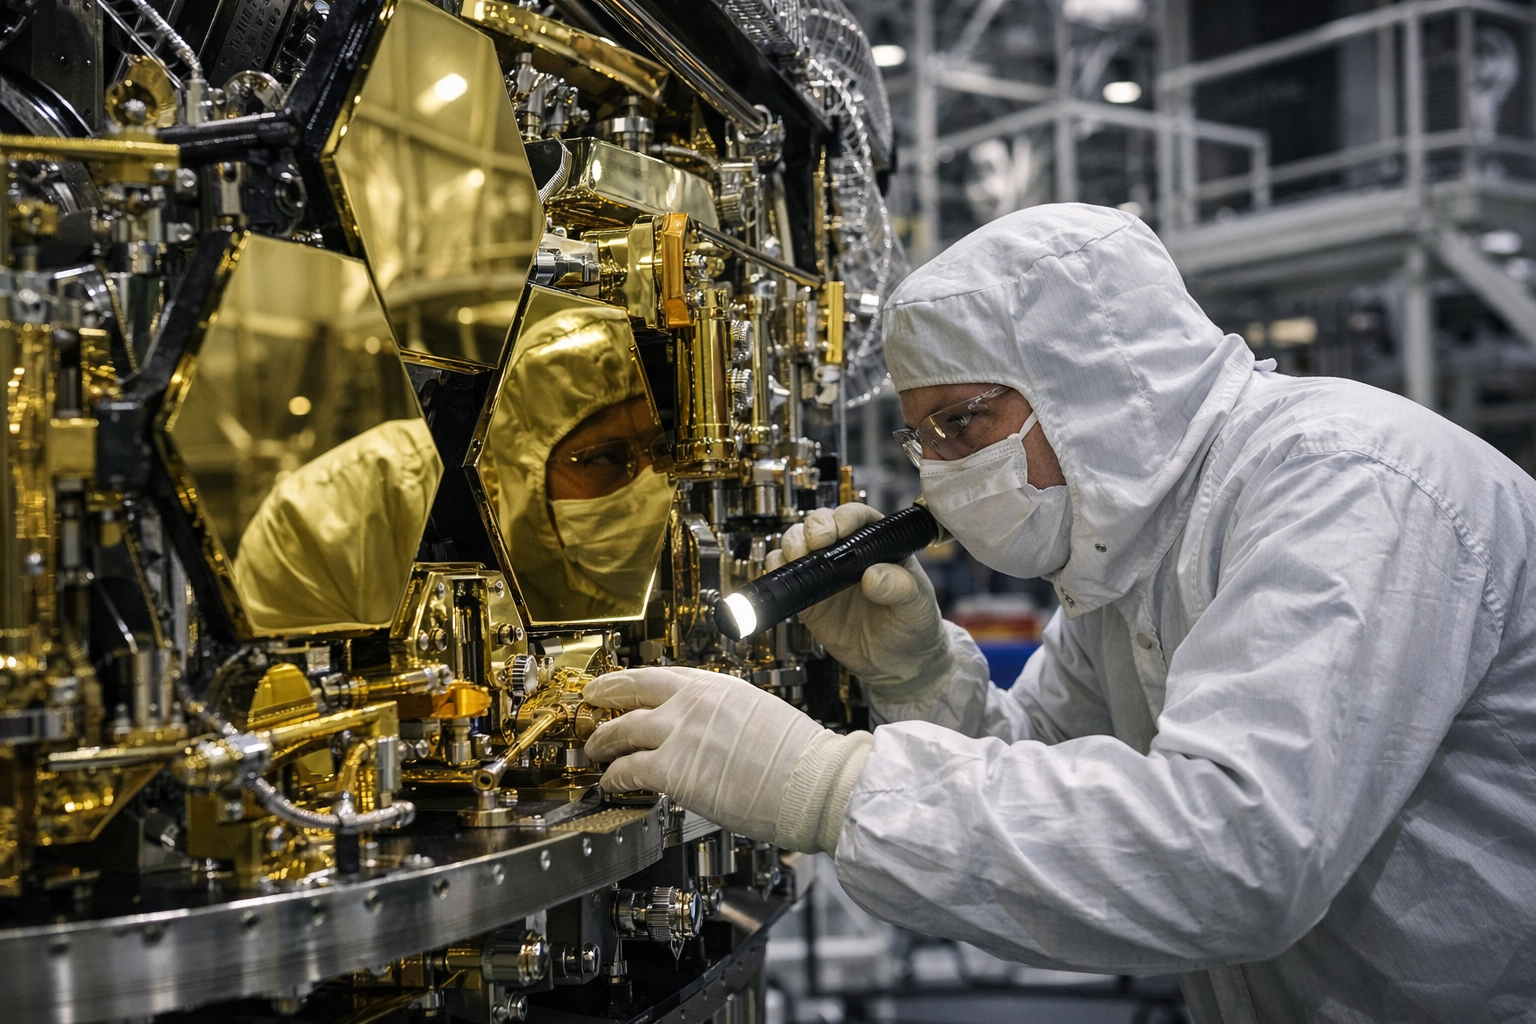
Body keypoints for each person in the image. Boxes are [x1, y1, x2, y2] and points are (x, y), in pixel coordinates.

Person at [582, 204, 1536, 1022]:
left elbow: (1240, 853)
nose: (941, 474)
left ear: (1092, 385)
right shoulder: (1128, 560)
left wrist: (829, 787)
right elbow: (1046, 773)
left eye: (962, 425)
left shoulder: (1349, 486)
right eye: (923, 440)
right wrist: (919, 672)